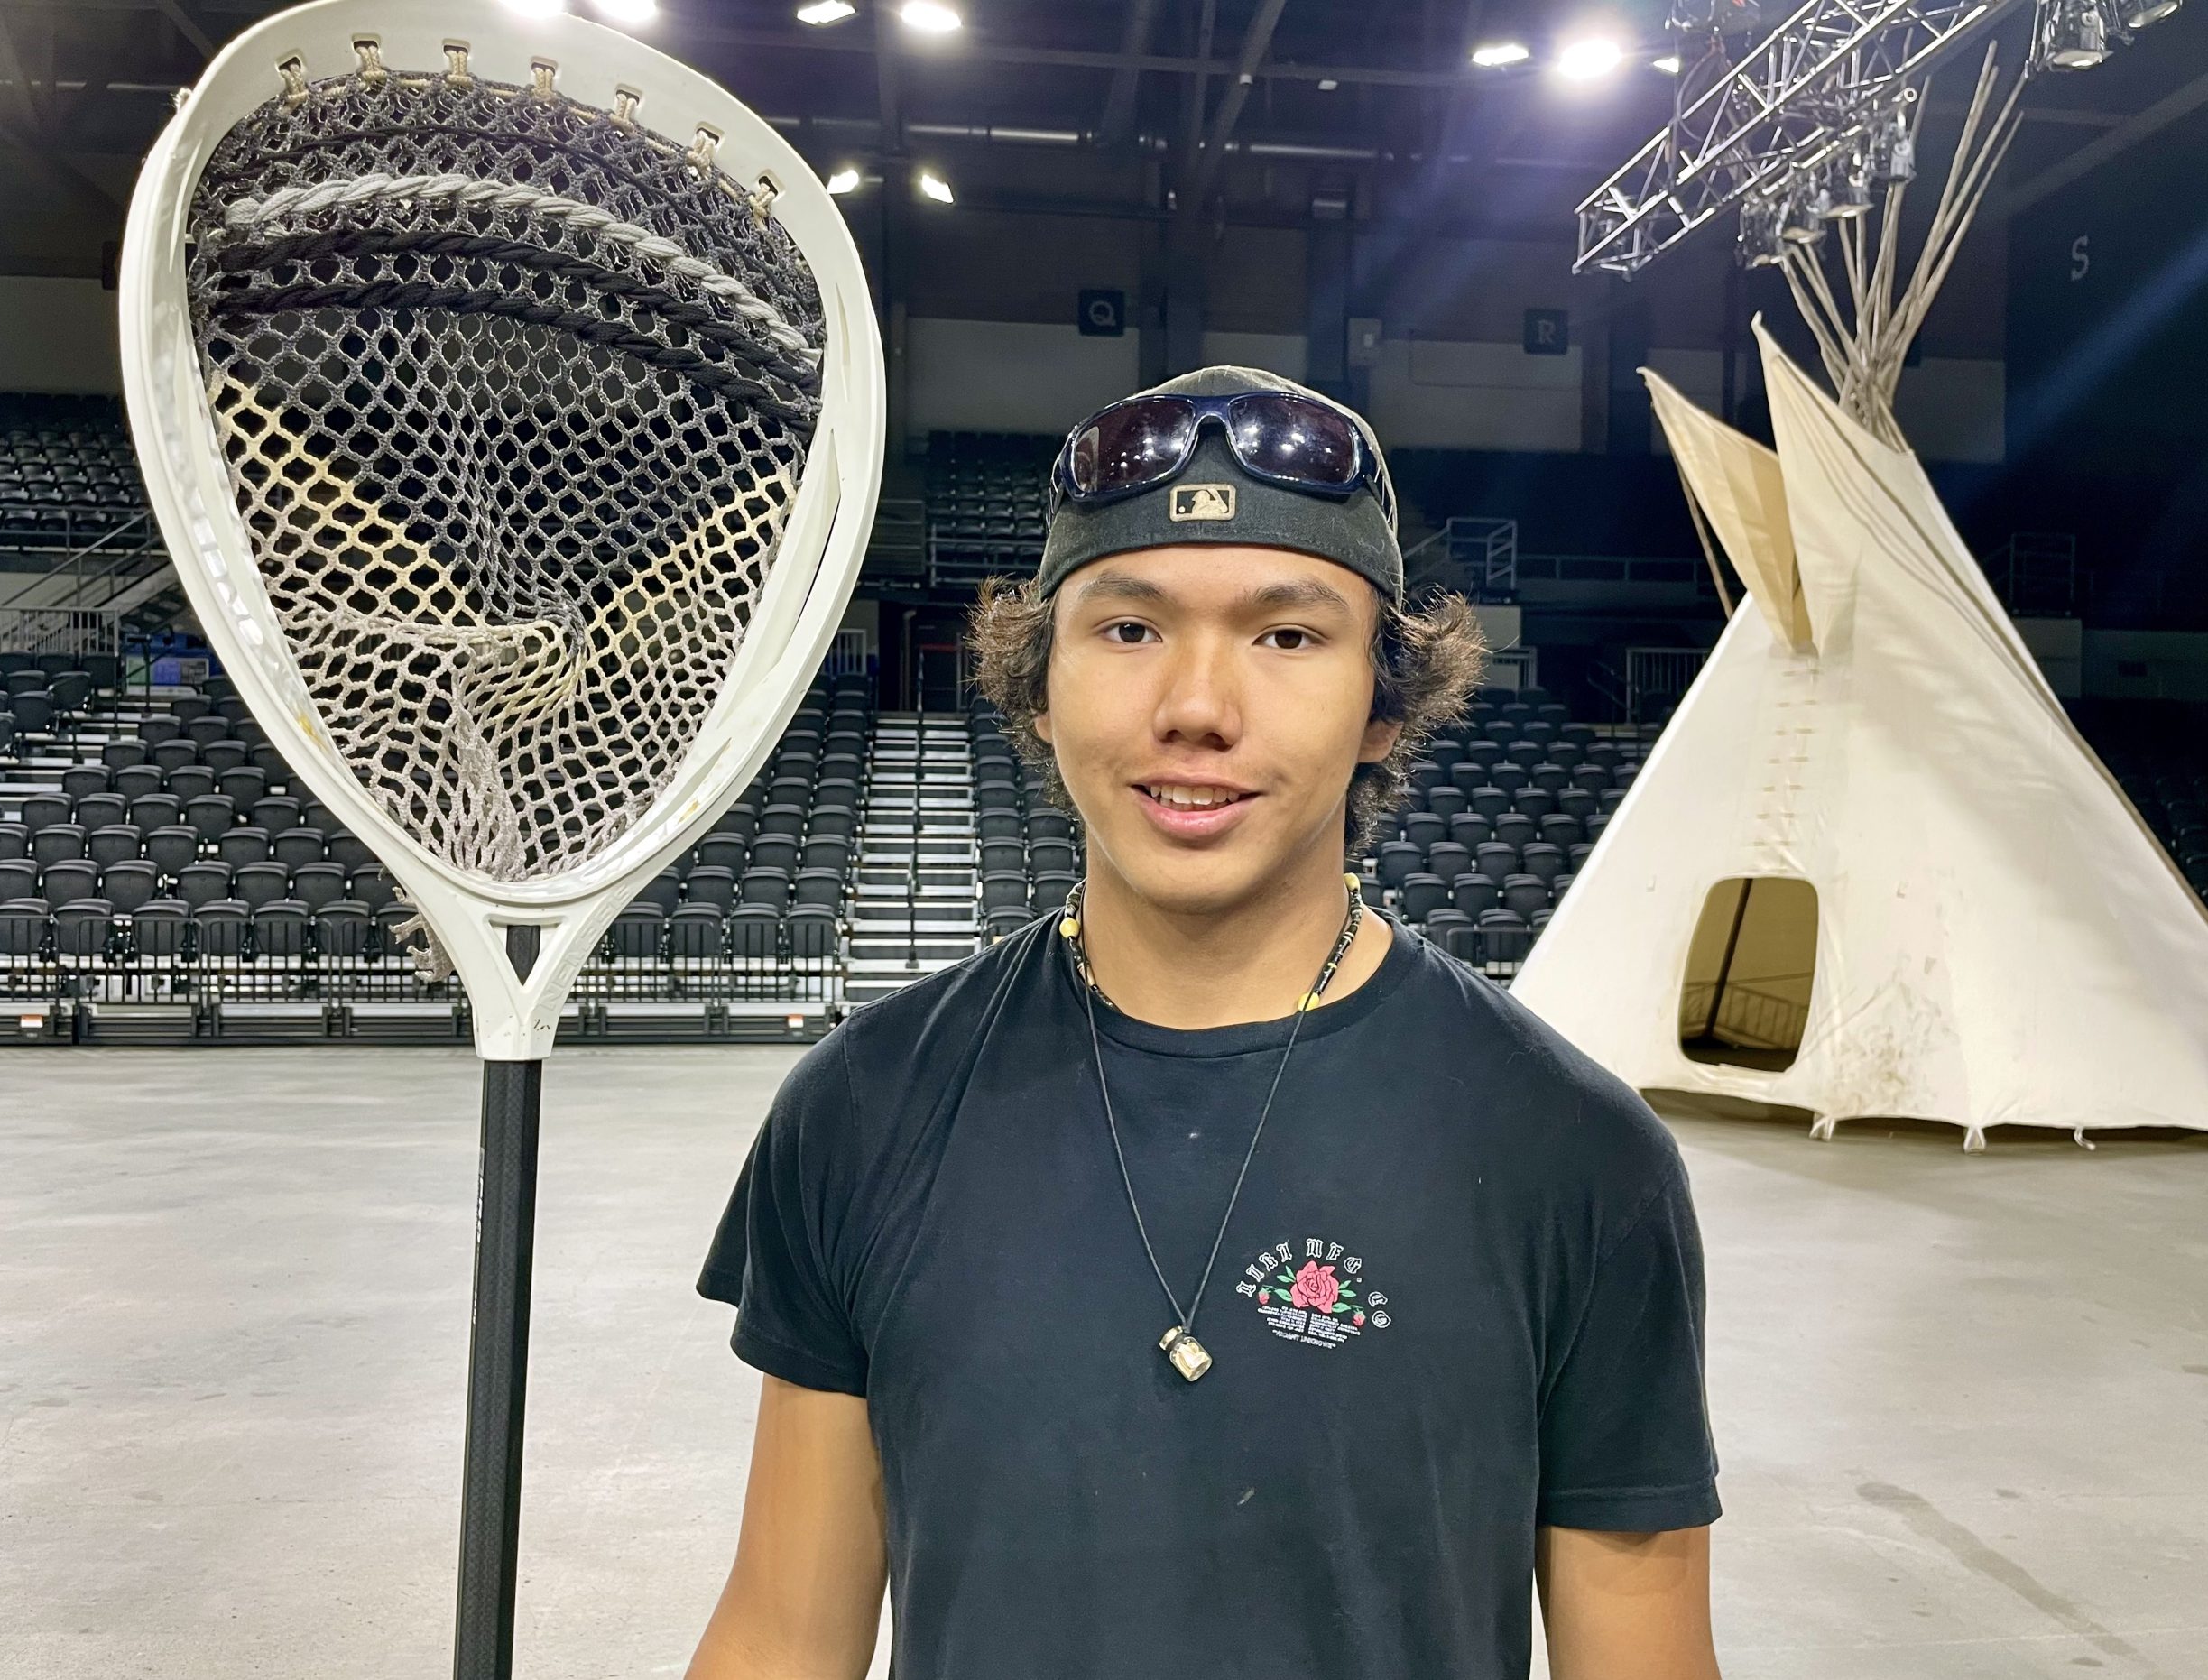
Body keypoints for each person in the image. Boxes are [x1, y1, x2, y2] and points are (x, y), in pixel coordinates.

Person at [688, 367, 1723, 1680]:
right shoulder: (862, 1106)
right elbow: (785, 1636)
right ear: (1040, 683)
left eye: (1286, 637)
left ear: (1384, 703)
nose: (1197, 706)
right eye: (1128, 630)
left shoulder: (1576, 1156)